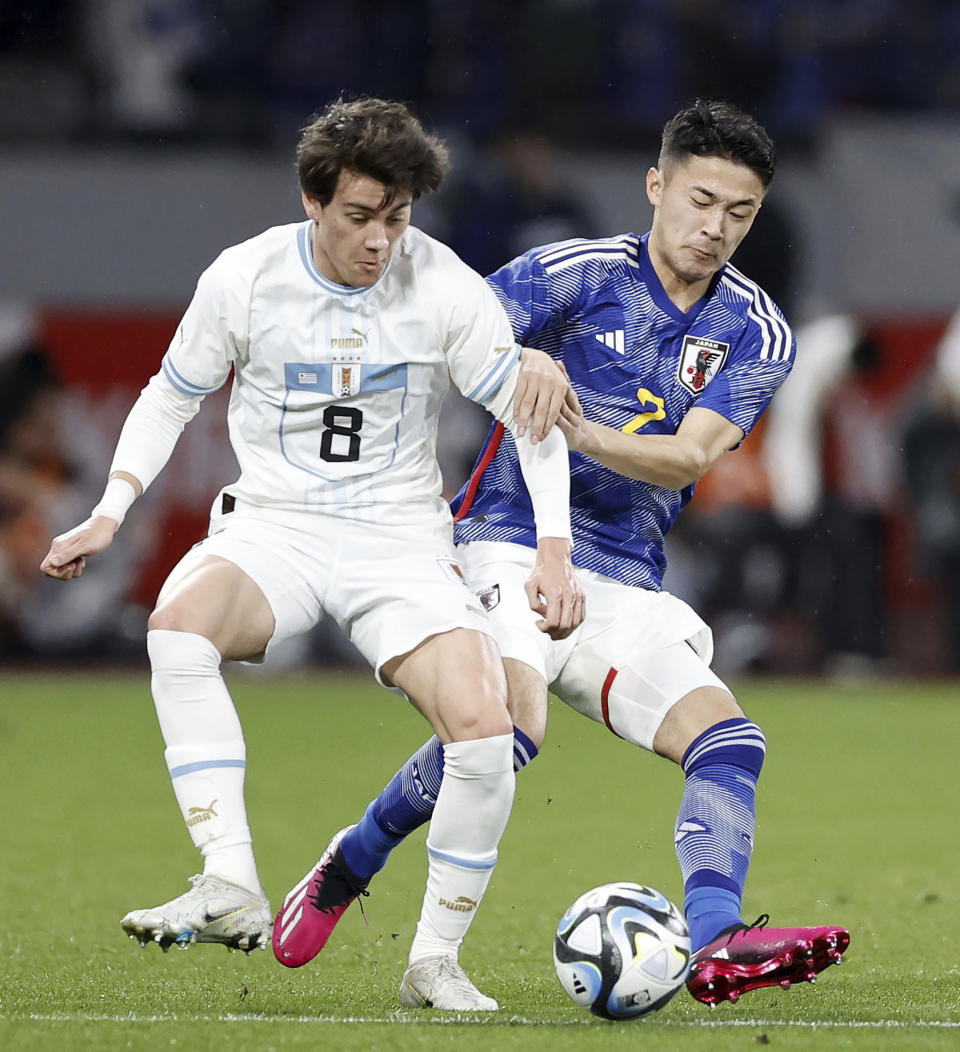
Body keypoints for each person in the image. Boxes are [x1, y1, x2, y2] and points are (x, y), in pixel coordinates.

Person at [272, 100, 850, 1008]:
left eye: (740, 214)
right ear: (656, 186)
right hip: (505, 539)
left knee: (731, 741)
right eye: (701, 200)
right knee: (508, 733)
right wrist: (514, 366)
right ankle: (349, 866)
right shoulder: (574, 275)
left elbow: (690, 455)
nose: (715, 228)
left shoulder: (755, 329)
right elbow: (448, 339)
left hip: (626, 576)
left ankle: (718, 940)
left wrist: (569, 422)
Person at [39, 96, 584, 1012]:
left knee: (486, 733)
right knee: (177, 629)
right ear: (312, 200)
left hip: (399, 539)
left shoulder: (443, 283)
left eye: (398, 218)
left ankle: (433, 963)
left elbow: (531, 422)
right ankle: (230, 882)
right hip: (275, 525)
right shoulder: (244, 279)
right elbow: (170, 396)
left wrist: (556, 551)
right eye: (360, 216)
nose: (380, 240)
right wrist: (111, 510)